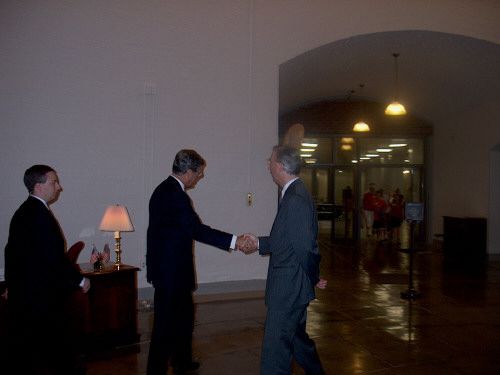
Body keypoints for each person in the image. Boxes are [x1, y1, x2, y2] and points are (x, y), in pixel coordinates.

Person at [146, 149, 247, 375]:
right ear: (189, 171)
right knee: (165, 326)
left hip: (169, 271)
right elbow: (196, 230)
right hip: (171, 273)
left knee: (183, 319)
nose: (200, 176)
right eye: (199, 172)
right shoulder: (176, 195)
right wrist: (234, 241)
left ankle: (182, 361)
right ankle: (157, 369)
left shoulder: (163, 190)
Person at [241, 145, 327, 375]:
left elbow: (306, 248)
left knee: (275, 355)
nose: (268, 165)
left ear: (279, 166)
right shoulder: (292, 194)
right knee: (298, 341)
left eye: (270, 161)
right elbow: (288, 239)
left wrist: (314, 276)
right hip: (293, 287)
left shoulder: (295, 198)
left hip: (288, 290)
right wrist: (259, 242)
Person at [4, 164, 91, 375]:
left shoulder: (24, 212)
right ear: (38, 186)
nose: (59, 187)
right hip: (41, 297)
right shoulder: (39, 215)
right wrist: (80, 280)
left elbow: (12, 254)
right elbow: (53, 258)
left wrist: (10, 285)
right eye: (54, 182)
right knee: (52, 352)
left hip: (27, 295)